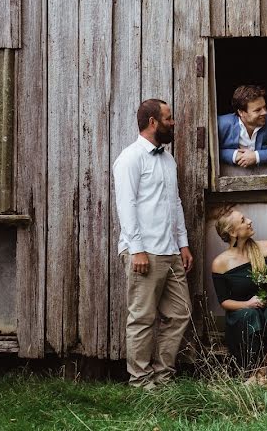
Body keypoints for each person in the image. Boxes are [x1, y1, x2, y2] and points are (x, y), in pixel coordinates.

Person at [112, 98, 194, 389]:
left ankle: (163, 375)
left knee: (180, 313)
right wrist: (136, 249)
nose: (173, 123)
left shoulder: (168, 159)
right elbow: (126, 206)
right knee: (142, 319)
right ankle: (140, 380)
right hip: (143, 253)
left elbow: (175, 203)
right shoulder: (130, 158)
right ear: (152, 123)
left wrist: (182, 244)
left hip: (170, 252)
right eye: (169, 119)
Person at [211, 210, 267, 382]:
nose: (250, 221)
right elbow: (224, 302)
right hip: (242, 313)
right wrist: (248, 304)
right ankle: (253, 371)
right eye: (243, 220)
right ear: (232, 232)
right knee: (251, 315)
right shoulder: (220, 263)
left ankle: (263, 370)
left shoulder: (265, 248)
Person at [217, 85, 267, 169]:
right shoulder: (221, 124)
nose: (265, 112)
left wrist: (257, 156)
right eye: (258, 110)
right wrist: (233, 155)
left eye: (264, 107)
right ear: (241, 112)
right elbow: (208, 150)